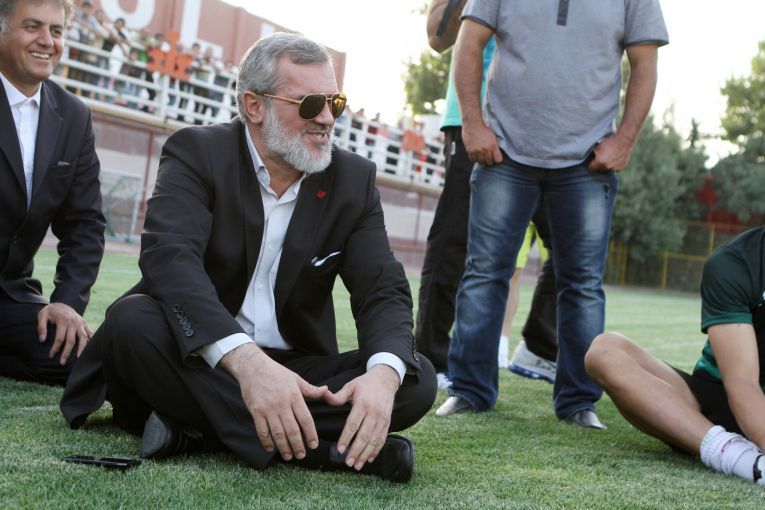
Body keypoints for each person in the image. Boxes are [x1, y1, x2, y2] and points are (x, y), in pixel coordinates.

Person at [60, 32, 437, 484]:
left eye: (334, 103)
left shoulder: (352, 180)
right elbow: (170, 260)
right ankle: (322, 453)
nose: (326, 118)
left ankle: (196, 433)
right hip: (198, 356)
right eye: (310, 103)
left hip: (293, 368)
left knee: (414, 378)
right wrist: (248, 365)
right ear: (254, 106)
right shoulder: (197, 152)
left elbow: (382, 288)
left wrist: (382, 378)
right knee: (130, 322)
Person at [435, 0, 668, 429]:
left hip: (586, 162)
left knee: (582, 284)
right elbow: (469, 42)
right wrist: (472, 124)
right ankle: (469, 390)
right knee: (484, 273)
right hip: (504, 153)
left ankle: (579, 401)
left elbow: (645, 65)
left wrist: (624, 142)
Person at [419, 0, 558, 391]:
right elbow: (437, 37)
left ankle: (541, 344)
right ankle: (430, 357)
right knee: (455, 240)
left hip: (547, 123)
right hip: (476, 114)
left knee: (572, 243)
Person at [585, 227, 765, 486]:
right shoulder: (737, 261)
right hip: (715, 400)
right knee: (605, 352)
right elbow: (742, 383)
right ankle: (741, 459)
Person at [0, 0, 105, 386]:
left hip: (10, 295)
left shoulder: (74, 115)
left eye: (56, 31)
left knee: (82, 359)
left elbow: (84, 224)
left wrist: (66, 302)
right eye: (32, 27)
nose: (47, 41)